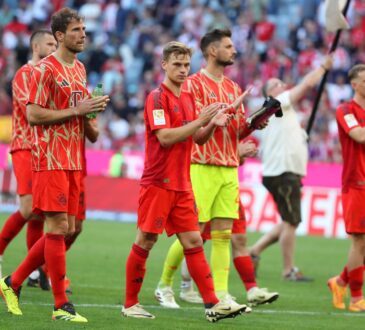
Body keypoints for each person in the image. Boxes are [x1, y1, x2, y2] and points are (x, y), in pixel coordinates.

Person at [121, 41, 250, 322]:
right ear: (164, 65)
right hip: (158, 181)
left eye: (185, 65)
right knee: (146, 239)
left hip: (182, 183)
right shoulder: (157, 98)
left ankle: (213, 304)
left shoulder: (188, 99)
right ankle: (130, 304)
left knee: (193, 240)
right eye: (176, 64)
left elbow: (196, 138)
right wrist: (200, 121)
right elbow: (165, 137)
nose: (182, 69)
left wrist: (211, 123)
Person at [155, 28, 277, 309]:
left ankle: (221, 295)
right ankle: (164, 285)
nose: (234, 50)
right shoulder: (193, 84)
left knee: (223, 235)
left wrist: (254, 123)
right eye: (228, 46)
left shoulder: (233, 87)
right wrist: (213, 120)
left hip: (229, 167)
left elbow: (236, 131)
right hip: (201, 165)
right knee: (193, 232)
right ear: (213, 51)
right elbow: (195, 127)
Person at [0, 7, 109, 322]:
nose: (83, 34)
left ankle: (13, 281)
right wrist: (78, 111)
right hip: (49, 157)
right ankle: (61, 306)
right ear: (59, 35)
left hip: (74, 159)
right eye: (76, 30)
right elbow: (34, 115)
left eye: (84, 29)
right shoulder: (42, 70)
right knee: (57, 227)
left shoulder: (80, 69)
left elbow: (80, 113)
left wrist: (91, 116)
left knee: (69, 227)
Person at [249, 54, 333, 281]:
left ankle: (254, 252)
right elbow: (306, 85)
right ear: (270, 92)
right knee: (291, 221)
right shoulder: (277, 104)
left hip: (283, 171)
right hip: (283, 172)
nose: (283, 85)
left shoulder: (282, 113)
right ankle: (288, 270)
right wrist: (322, 68)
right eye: (277, 84)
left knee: (289, 219)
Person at [0, 30, 57, 285]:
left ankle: (37, 269)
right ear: (36, 46)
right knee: (27, 208)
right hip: (25, 145)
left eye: (56, 44)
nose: (54, 47)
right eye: (50, 43)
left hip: (45, 149)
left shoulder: (50, 73)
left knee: (40, 213)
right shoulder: (26, 73)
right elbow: (30, 109)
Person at [328, 64, 365, 312]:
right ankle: (356, 298)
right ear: (354, 84)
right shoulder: (345, 109)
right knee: (360, 241)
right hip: (356, 183)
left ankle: (340, 281)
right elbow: (359, 135)